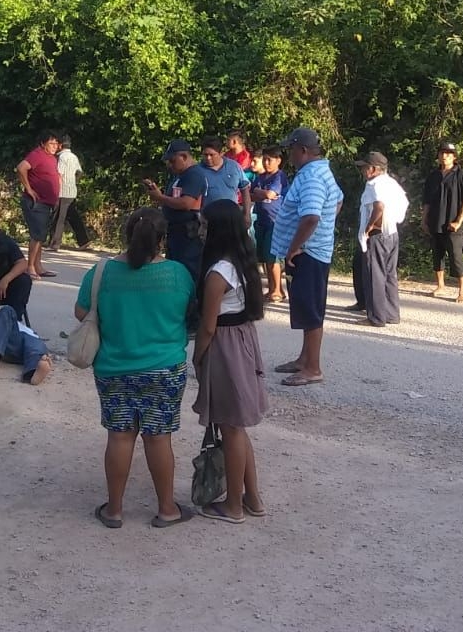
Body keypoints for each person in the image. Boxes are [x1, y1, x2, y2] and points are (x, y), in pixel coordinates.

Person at [76, 208, 194, 529]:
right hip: (165, 369)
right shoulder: (178, 274)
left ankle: (114, 510)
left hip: (114, 368)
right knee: (158, 439)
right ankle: (167, 509)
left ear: (126, 236)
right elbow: (189, 315)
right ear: (162, 240)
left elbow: (81, 311)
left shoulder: (101, 272)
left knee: (119, 436)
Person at [192, 199, 269, 524]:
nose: (200, 229)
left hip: (224, 345)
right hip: (242, 338)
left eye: (204, 224)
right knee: (236, 427)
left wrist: (197, 359)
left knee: (231, 427)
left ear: (218, 229)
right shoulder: (242, 261)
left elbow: (207, 326)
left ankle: (234, 506)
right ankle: (251, 498)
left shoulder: (217, 273)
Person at [272, 128, 343, 385]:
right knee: (305, 307)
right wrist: (324, 229)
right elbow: (338, 201)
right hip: (313, 249)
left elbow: (311, 216)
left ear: (302, 150)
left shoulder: (312, 177)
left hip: (308, 253)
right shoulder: (322, 171)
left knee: (311, 310)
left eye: (290, 149)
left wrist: (295, 246)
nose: (288, 154)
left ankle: (313, 368)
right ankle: (304, 359)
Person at [357, 151, 409, 328]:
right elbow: (404, 202)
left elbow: (379, 205)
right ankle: (392, 314)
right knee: (389, 274)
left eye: (364, 167)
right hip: (392, 232)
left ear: (373, 169)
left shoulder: (374, 184)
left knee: (375, 275)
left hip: (377, 234)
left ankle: (376, 317)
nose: (363, 171)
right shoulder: (391, 183)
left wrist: (370, 225)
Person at [144, 139, 207, 283]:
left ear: (184, 157)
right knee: (174, 269)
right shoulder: (179, 175)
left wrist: (160, 198)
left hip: (188, 232)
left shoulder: (194, 175)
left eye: (172, 161)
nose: (170, 165)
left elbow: (187, 203)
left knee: (187, 270)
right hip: (176, 231)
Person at [421, 141, 463, 303]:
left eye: (448, 154)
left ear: (454, 157)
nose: (444, 156)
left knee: (456, 255)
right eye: (442, 153)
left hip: (453, 223)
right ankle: (440, 285)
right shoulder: (433, 176)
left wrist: (458, 221)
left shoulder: (461, 175)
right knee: (437, 254)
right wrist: (424, 220)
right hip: (435, 221)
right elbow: (427, 201)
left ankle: (462, 290)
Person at [15, 130, 61, 278]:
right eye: (51, 143)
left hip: (47, 202)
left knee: (41, 235)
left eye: (56, 143)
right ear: (43, 143)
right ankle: (30, 267)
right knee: (37, 234)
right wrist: (29, 189)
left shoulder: (52, 158)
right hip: (36, 202)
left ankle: (38, 265)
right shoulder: (37, 154)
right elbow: (21, 167)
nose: (55, 146)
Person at [250, 145, 289, 302]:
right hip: (261, 220)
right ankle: (272, 288)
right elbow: (251, 195)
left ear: (278, 161)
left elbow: (270, 193)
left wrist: (261, 193)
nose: (266, 163)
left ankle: (278, 290)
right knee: (265, 257)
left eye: (269, 159)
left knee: (273, 258)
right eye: (264, 159)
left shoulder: (279, 177)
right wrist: (261, 194)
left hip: (275, 221)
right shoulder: (261, 177)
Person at [48, 133, 92, 252]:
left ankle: (55, 244)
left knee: (58, 218)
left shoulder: (61, 157)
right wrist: (74, 181)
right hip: (72, 191)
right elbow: (79, 172)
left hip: (63, 192)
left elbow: (59, 174)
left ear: (61, 145)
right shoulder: (74, 156)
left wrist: (55, 189)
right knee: (73, 216)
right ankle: (84, 240)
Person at [198, 135, 252, 229]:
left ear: (221, 153)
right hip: (208, 221)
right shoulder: (197, 171)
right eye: (205, 155)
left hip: (232, 220)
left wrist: (247, 214)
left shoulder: (234, 167)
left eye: (212, 155)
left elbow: (245, 190)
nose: (208, 158)